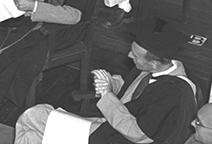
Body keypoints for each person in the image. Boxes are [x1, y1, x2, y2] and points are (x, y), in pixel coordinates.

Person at [15, 16, 197, 144]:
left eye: (135, 55)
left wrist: (107, 96)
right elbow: (133, 93)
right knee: (33, 135)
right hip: (110, 126)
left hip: (117, 138)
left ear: (155, 64)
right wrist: (110, 83)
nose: (128, 55)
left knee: (33, 117)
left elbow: (139, 134)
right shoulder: (154, 69)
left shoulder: (175, 94)